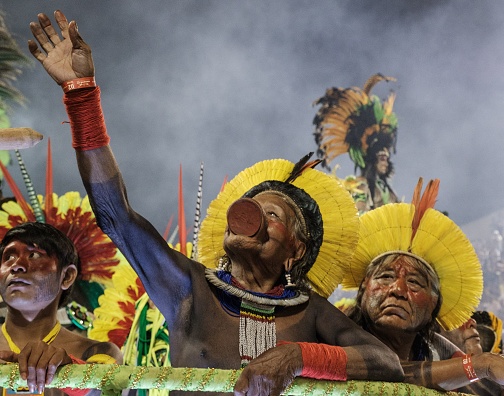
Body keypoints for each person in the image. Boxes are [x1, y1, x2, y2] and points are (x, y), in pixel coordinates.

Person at [27, 10, 404, 396]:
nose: (249, 217)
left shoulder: (311, 312)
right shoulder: (190, 288)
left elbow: (386, 364)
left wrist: (297, 357)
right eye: (249, 208)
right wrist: (82, 95)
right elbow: (116, 216)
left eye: (271, 215)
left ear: (296, 250)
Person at [341, 178, 504, 395]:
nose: (398, 290)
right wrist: (484, 363)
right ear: (363, 288)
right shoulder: (334, 330)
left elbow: (490, 389)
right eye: (385, 277)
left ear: (433, 305)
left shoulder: (436, 348)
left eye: (414, 282)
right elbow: (383, 369)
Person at [0, 222, 122, 395]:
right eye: (8, 257)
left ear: (67, 276)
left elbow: (99, 389)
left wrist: (69, 369)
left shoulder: (101, 352)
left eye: (34, 255)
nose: (16, 265)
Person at [313, 73, 400, 214]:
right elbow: (358, 214)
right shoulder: (360, 185)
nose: (386, 162)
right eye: (382, 158)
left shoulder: (388, 191)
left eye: (387, 159)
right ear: (372, 160)